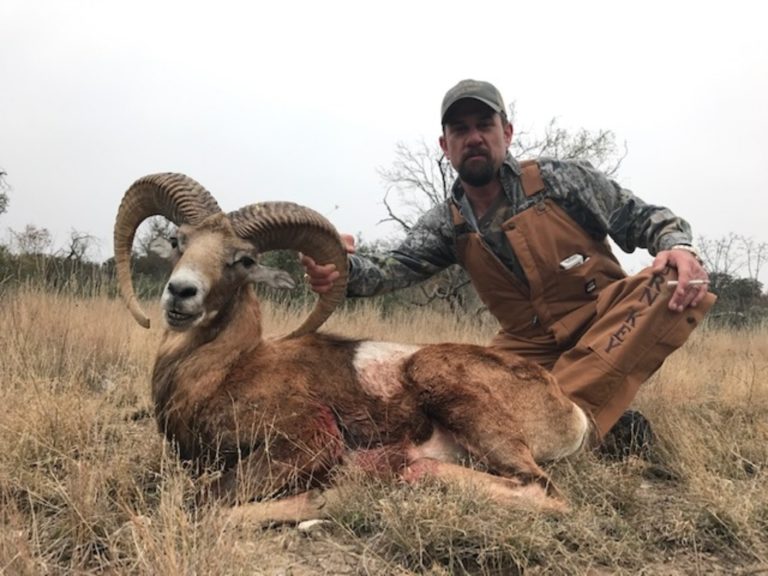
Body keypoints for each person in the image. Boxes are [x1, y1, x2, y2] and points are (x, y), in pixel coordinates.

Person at [302, 78, 716, 452]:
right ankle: (597, 430)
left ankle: (554, 427)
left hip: (605, 320)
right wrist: (337, 266)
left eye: (485, 124)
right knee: (458, 389)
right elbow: (393, 269)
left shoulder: (560, 180)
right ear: (445, 147)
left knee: (666, 281)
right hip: (528, 346)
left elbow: (638, 216)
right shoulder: (448, 223)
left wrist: (678, 246)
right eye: (460, 130)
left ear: (508, 133)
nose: (474, 137)